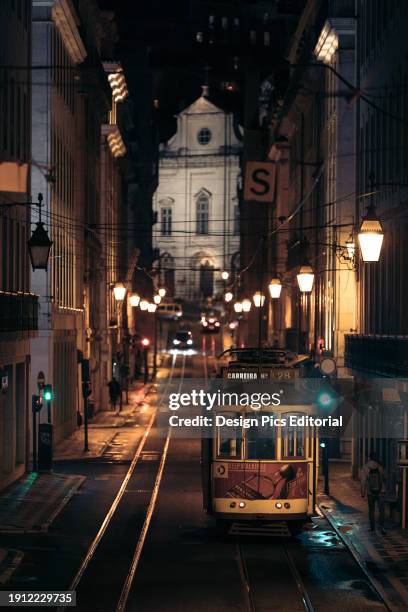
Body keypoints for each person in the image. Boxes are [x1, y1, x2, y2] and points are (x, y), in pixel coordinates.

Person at [361, 451, 387, 535]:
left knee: (371, 510)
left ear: (369, 457)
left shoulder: (366, 467)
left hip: (370, 492)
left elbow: (363, 481)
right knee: (381, 510)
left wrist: (363, 492)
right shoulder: (380, 466)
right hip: (381, 491)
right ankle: (382, 527)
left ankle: (372, 528)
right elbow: (385, 477)